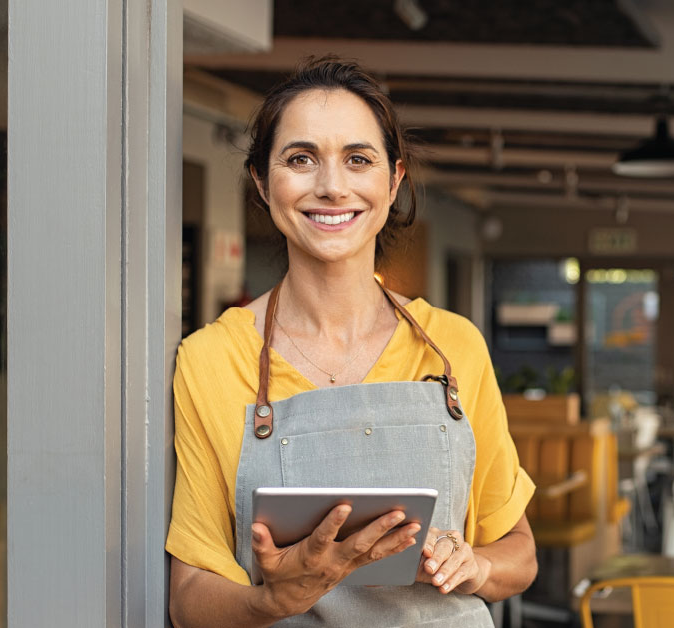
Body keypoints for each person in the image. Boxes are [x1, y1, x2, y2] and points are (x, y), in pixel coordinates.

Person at [166, 59, 537, 627]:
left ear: (392, 181)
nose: (332, 186)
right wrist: (273, 600)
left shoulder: (453, 347)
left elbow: (519, 553)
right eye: (300, 158)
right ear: (263, 183)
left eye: (358, 159)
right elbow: (190, 595)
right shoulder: (213, 360)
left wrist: (473, 566)